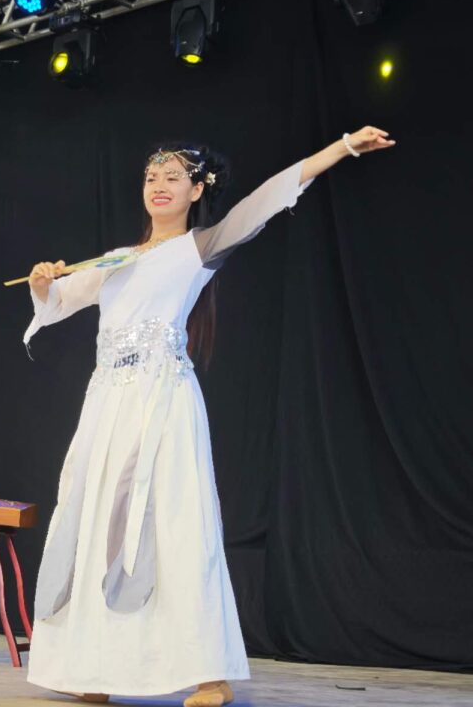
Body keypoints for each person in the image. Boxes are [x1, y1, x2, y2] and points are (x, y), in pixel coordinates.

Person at [23, 128, 396, 705]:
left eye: (174, 177)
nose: (159, 186)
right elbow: (57, 305)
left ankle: (209, 673)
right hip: (107, 405)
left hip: (161, 400)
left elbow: (266, 200)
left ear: (198, 189)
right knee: (100, 525)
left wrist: (340, 149)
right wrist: (44, 282)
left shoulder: (198, 247)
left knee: (175, 524)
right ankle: (94, 671)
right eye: (152, 177)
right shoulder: (116, 261)